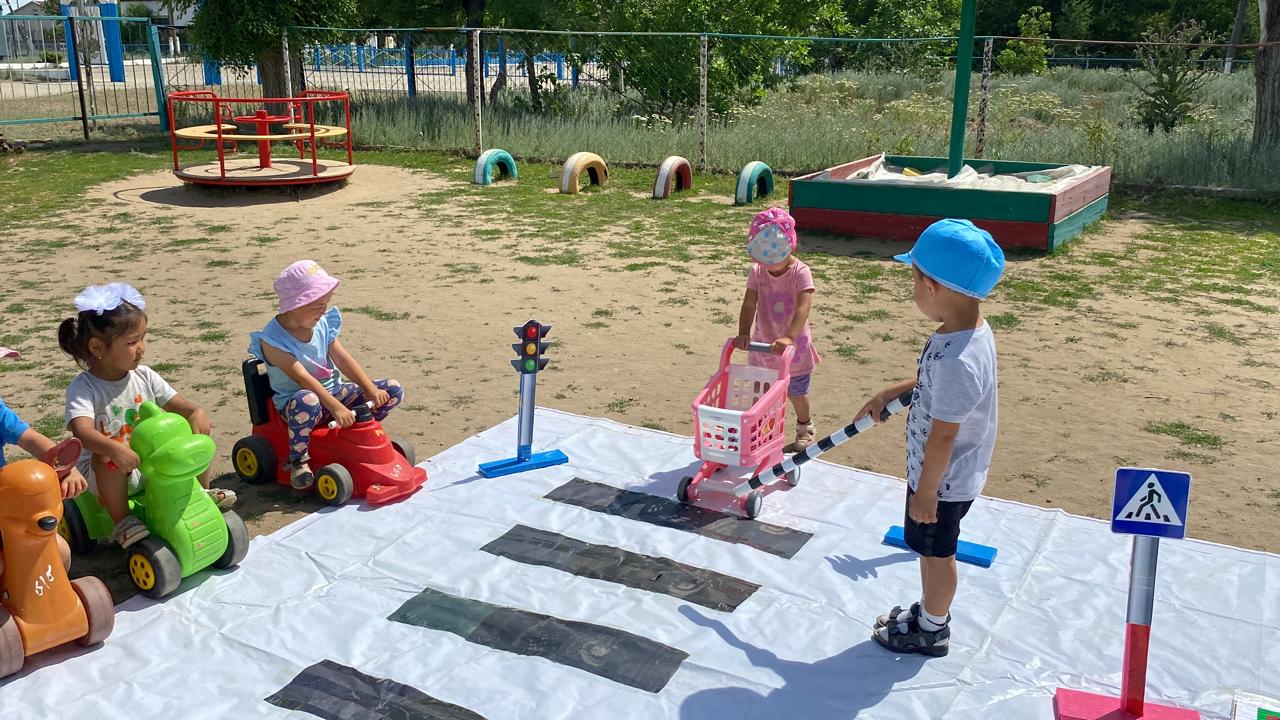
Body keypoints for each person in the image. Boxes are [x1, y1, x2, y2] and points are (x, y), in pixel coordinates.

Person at [857, 219, 1005, 657]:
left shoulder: (959, 359)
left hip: (941, 483)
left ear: (931, 286)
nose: (913, 290)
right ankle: (928, 612)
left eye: (914, 279)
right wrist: (892, 392)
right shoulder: (964, 332)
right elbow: (931, 385)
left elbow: (943, 436)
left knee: (938, 554)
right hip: (936, 478)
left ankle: (932, 629)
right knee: (927, 550)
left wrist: (926, 493)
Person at [59, 282, 234, 550]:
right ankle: (122, 522)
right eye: (132, 342)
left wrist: (196, 412)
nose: (141, 347)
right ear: (97, 348)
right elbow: (82, 433)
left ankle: (201, 492)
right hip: (106, 471)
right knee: (106, 457)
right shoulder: (85, 388)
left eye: (143, 338)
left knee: (194, 434)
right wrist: (115, 448)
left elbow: (180, 405)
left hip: (149, 461)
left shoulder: (145, 376)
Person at [248, 260, 403, 490]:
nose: (323, 311)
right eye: (317, 306)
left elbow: (343, 360)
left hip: (335, 393)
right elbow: (303, 379)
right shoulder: (273, 341)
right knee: (308, 400)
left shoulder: (321, 323)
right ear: (295, 304)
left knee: (392, 389)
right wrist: (335, 407)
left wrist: (370, 389)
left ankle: (358, 435)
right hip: (299, 405)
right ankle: (298, 460)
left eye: (325, 304)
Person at [733, 207, 822, 450]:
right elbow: (749, 304)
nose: (770, 265)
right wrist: (743, 333)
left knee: (796, 392)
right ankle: (761, 431)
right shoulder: (758, 271)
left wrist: (789, 337)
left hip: (794, 351)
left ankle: (805, 427)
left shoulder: (801, 272)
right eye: (765, 261)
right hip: (763, 345)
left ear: (790, 247)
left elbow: (803, 307)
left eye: (774, 259)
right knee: (760, 392)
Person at [0, 386, 89, 575]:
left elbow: (31, 439)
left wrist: (67, 468)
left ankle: (54, 590)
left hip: (6, 507)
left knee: (60, 552)